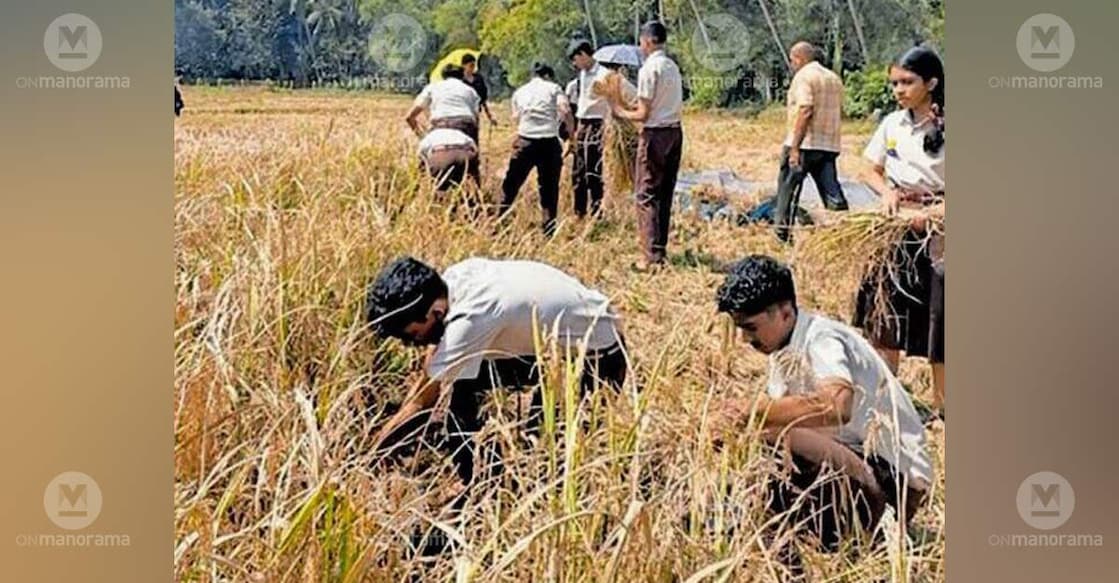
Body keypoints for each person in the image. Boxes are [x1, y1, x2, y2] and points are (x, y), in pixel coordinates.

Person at [710, 255, 933, 552]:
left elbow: (837, 405)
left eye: (751, 327)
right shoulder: (783, 351)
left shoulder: (821, 338)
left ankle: (870, 533)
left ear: (786, 313)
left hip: (892, 484)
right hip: (854, 469)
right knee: (760, 439)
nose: (743, 339)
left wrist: (755, 412)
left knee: (771, 433)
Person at [365, 256, 627, 485]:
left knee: (551, 453)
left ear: (435, 311)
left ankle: (482, 482)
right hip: (560, 345)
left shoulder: (472, 319)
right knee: (464, 383)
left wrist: (370, 453)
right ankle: (480, 471)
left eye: (412, 336)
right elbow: (434, 363)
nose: (412, 344)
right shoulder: (457, 278)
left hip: (597, 362)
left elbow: (424, 401)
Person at [855, 46, 946, 417]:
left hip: (940, 231)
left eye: (907, 82)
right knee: (884, 310)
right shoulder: (892, 124)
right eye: (894, 82)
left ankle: (944, 407)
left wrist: (939, 212)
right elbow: (868, 168)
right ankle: (884, 399)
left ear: (932, 83)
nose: (899, 89)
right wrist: (886, 191)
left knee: (942, 317)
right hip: (894, 228)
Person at [612, 21, 684, 271]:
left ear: (648, 41)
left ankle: (650, 257)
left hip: (655, 135)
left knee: (646, 194)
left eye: (642, 42)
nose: (640, 46)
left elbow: (643, 113)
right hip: (674, 132)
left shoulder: (649, 69)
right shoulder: (672, 67)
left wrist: (620, 111)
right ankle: (660, 248)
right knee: (664, 193)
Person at [773, 41, 848, 243]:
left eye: (792, 60)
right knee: (832, 192)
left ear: (799, 58)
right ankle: (844, 229)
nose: (792, 65)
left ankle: (782, 234)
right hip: (828, 145)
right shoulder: (833, 78)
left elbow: (806, 109)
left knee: (787, 189)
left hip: (805, 143)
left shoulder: (804, 76)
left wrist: (795, 147)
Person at [500, 62, 574, 236]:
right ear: (548, 75)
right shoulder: (554, 88)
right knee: (549, 188)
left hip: (525, 141)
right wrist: (571, 136)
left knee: (510, 184)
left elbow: (515, 117)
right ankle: (548, 230)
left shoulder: (520, 91)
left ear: (533, 75)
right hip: (549, 143)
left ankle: (497, 220)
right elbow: (565, 110)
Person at [568, 39, 638, 219]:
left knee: (593, 171)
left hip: (598, 127)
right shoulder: (582, 75)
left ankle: (596, 214)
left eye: (575, 59)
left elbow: (633, 95)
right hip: (582, 125)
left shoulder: (607, 75)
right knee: (578, 172)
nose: (574, 64)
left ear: (583, 55)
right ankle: (579, 214)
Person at [406, 64, 482, 185]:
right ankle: (477, 190)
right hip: (465, 125)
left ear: (443, 76)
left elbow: (410, 117)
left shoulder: (433, 87)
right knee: (472, 168)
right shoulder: (470, 91)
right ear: (462, 76)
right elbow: (476, 119)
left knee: (423, 166)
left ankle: (419, 188)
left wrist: (423, 138)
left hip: (439, 125)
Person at [417, 128, 478, 192]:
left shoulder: (430, 136)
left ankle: (441, 197)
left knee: (439, 188)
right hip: (465, 154)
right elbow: (474, 148)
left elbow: (420, 156)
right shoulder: (457, 132)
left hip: (441, 154)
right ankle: (473, 196)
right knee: (467, 183)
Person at [461, 53, 499, 128]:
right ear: (463, 65)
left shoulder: (478, 78)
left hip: (475, 111)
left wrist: (489, 116)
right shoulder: (460, 81)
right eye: (470, 65)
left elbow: (483, 98)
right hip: (463, 112)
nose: (472, 68)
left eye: (474, 65)